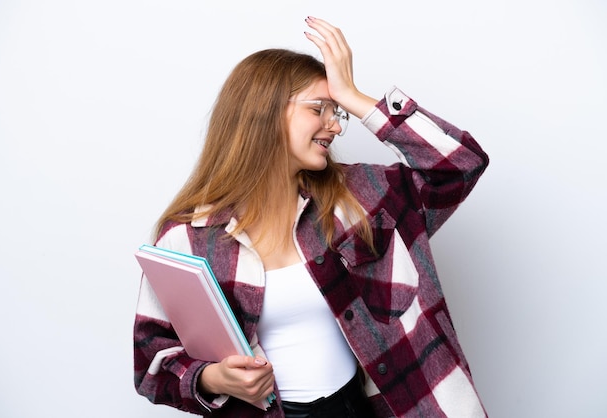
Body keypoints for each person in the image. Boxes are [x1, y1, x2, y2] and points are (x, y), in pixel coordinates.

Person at [133, 16, 489, 418]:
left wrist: (355, 97)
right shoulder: (188, 236)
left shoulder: (362, 197)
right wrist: (212, 378)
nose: (336, 125)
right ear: (261, 114)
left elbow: (461, 166)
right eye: (319, 108)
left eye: (339, 111)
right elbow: (151, 359)